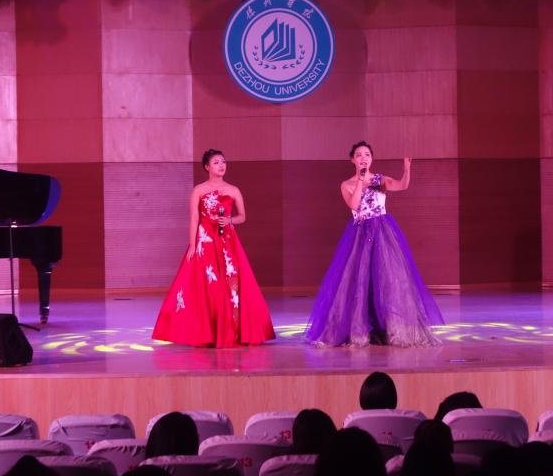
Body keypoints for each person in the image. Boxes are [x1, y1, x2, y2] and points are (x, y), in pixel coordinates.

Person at [305, 141, 443, 347]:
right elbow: (354, 205)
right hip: (360, 235)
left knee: (387, 279)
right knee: (359, 281)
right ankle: (358, 329)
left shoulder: (381, 180)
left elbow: (402, 185)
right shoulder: (346, 184)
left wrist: (406, 169)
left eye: (367, 154)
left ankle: (388, 328)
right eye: (359, 155)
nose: (363, 158)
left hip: (382, 234)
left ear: (372, 159)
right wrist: (360, 180)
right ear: (352, 160)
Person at [152, 149, 275, 348]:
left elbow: (242, 217)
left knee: (229, 283)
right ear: (207, 167)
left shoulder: (233, 190)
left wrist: (229, 220)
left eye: (223, 162)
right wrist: (193, 245)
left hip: (227, 240)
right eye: (216, 162)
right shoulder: (199, 190)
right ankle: (207, 332)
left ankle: (230, 331)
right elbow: (194, 219)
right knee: (208, 286)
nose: (221, 165)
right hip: (205, 240)